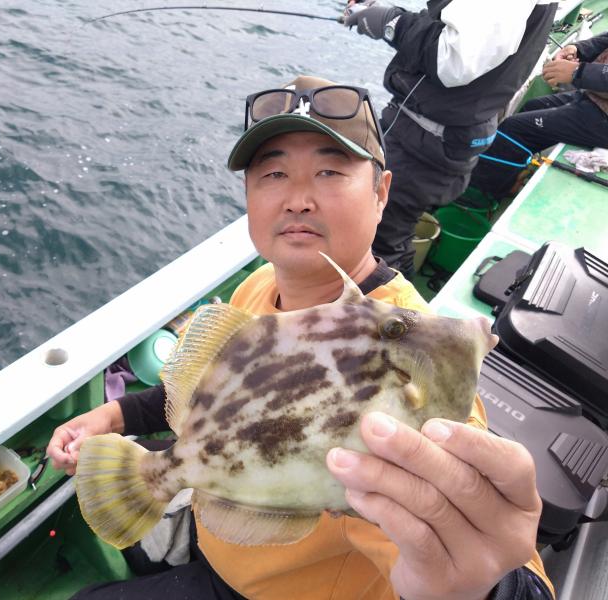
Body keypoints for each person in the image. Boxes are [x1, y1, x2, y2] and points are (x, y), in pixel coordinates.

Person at [47, 75, 555, 600]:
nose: (298, 199)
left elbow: (496, 554)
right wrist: (115, 416)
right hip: (216, 520)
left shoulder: (416, 373)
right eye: (273, 173)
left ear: (382, 192)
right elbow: (208, 399)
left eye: (330, 170)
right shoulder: (261, 285)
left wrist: (485, 587)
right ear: (248, 196)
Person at [343, 0, 558, 278]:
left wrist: (393, 22)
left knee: (381, 237)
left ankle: (400, 314)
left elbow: (454, 61)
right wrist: (385, 14)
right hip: (437, 130)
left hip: (428, 139)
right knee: (393, 229)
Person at [468, 31, 608, 198]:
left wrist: (578, 72)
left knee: (512, 130)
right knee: (532, 106)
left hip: (602, 115)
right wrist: (578, 49)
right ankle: (512, 175)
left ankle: (480, 198)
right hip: (598, 96)